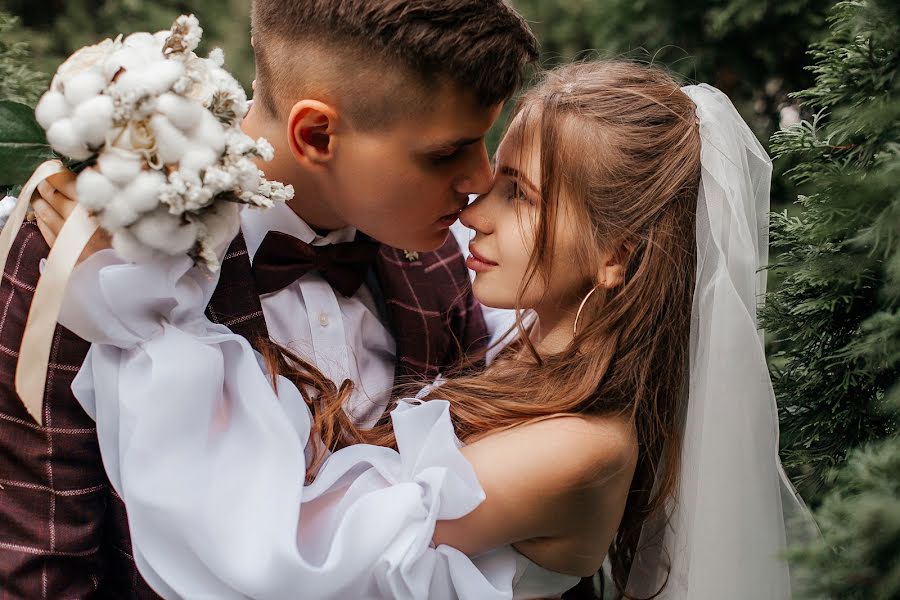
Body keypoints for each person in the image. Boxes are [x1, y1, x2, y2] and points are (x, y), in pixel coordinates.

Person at [38, 60, 814, 599]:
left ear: (617, 257)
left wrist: (142, 314)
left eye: (520, 194)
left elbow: (293, 554)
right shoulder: (515, 344)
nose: (474, 210)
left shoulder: (582, 449)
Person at [0, 1, 538, 597]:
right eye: (445, 153)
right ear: (316, 134)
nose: (481, 179)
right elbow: (42, 562)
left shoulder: (446, 261)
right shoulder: (101, 253)